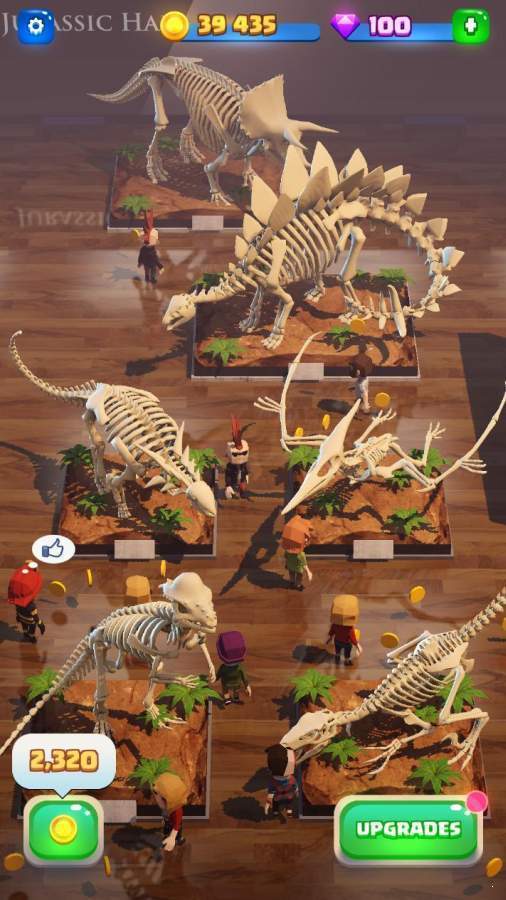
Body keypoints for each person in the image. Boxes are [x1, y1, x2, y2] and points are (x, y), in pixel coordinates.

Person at [7, 560, 45, 643]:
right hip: (30, 620)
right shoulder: (31, 606)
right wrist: (40, 623)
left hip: (21, 617)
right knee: (32, 628)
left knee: (24, 626)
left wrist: (18, 616)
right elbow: (35, 617)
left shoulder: (17, 601)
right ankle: (31, 637)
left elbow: (17, 609)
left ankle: (25, 633)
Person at [152, 772, 189, 852]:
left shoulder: (177, 811)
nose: (157, 799)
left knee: (175, 831)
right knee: (167, 829)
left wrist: (172, 837)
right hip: (168, 821)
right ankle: (168, 836)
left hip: (173, 824)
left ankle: (178, 839)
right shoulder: (166, 807)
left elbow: (176, 826)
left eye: (158, 796)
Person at [216, 631, 252, 705]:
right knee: (236, 690)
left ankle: (228, 699)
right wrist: (247, 686)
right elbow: (244, 677)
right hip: (236, 683)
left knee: (225, 691)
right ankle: (236, 698)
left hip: (226, 683)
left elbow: (218, 674)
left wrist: (215, 678)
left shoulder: (223, 667)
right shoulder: (240, 667)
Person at [326, 593, 362, 666]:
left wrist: (330, 638)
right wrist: (357, 645)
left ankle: (337, 657)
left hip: (337, 641)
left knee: (337, 651)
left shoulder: (335, 624)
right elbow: (352, 638)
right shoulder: (349, 628)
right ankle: (346, 661)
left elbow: (331, 632)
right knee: (347, 653)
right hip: (346, 643)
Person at [264, 744, 299, 821]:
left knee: (282, 802)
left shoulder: (274, 780)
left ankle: (278, 811)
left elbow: (271, 790)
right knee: (286, 802)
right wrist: (297, 791)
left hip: (282, 795)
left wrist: (269, 799)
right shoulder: (291, 779)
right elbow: (295, 785)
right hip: (286, 795)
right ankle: (282, 811)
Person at [281, 515, 312, 590]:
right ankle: (298, 585)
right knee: (299, 575)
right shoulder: (301, 554)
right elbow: (304, 564)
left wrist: (286, 564)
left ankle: (292, 582)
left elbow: (286, 556)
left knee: (291, 573)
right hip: (298, 568)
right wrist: (308, 572)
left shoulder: (288, 551)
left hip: (290, 565)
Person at [224, 415, 249, 499]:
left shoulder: (243, 464)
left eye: (244, 453)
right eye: (235, 454)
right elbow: (228, 475)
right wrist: (228, 485)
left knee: (243, 482)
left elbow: (245, 469)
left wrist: (246, 475)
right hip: (233, 475)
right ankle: (232, 491)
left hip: (241, 474)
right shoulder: (230, 466)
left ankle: (242, 492)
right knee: (231, 489)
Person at [138, 210, 164, 284]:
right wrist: (160, 266)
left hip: (147, 263)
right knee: (151, 270)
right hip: (151, 264)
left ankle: (148, 278)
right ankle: (151, 278)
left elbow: (141, 256)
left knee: (148, 270)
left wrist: (140, 262)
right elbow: (156, 259)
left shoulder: (143, 249)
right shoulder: (152, 251)